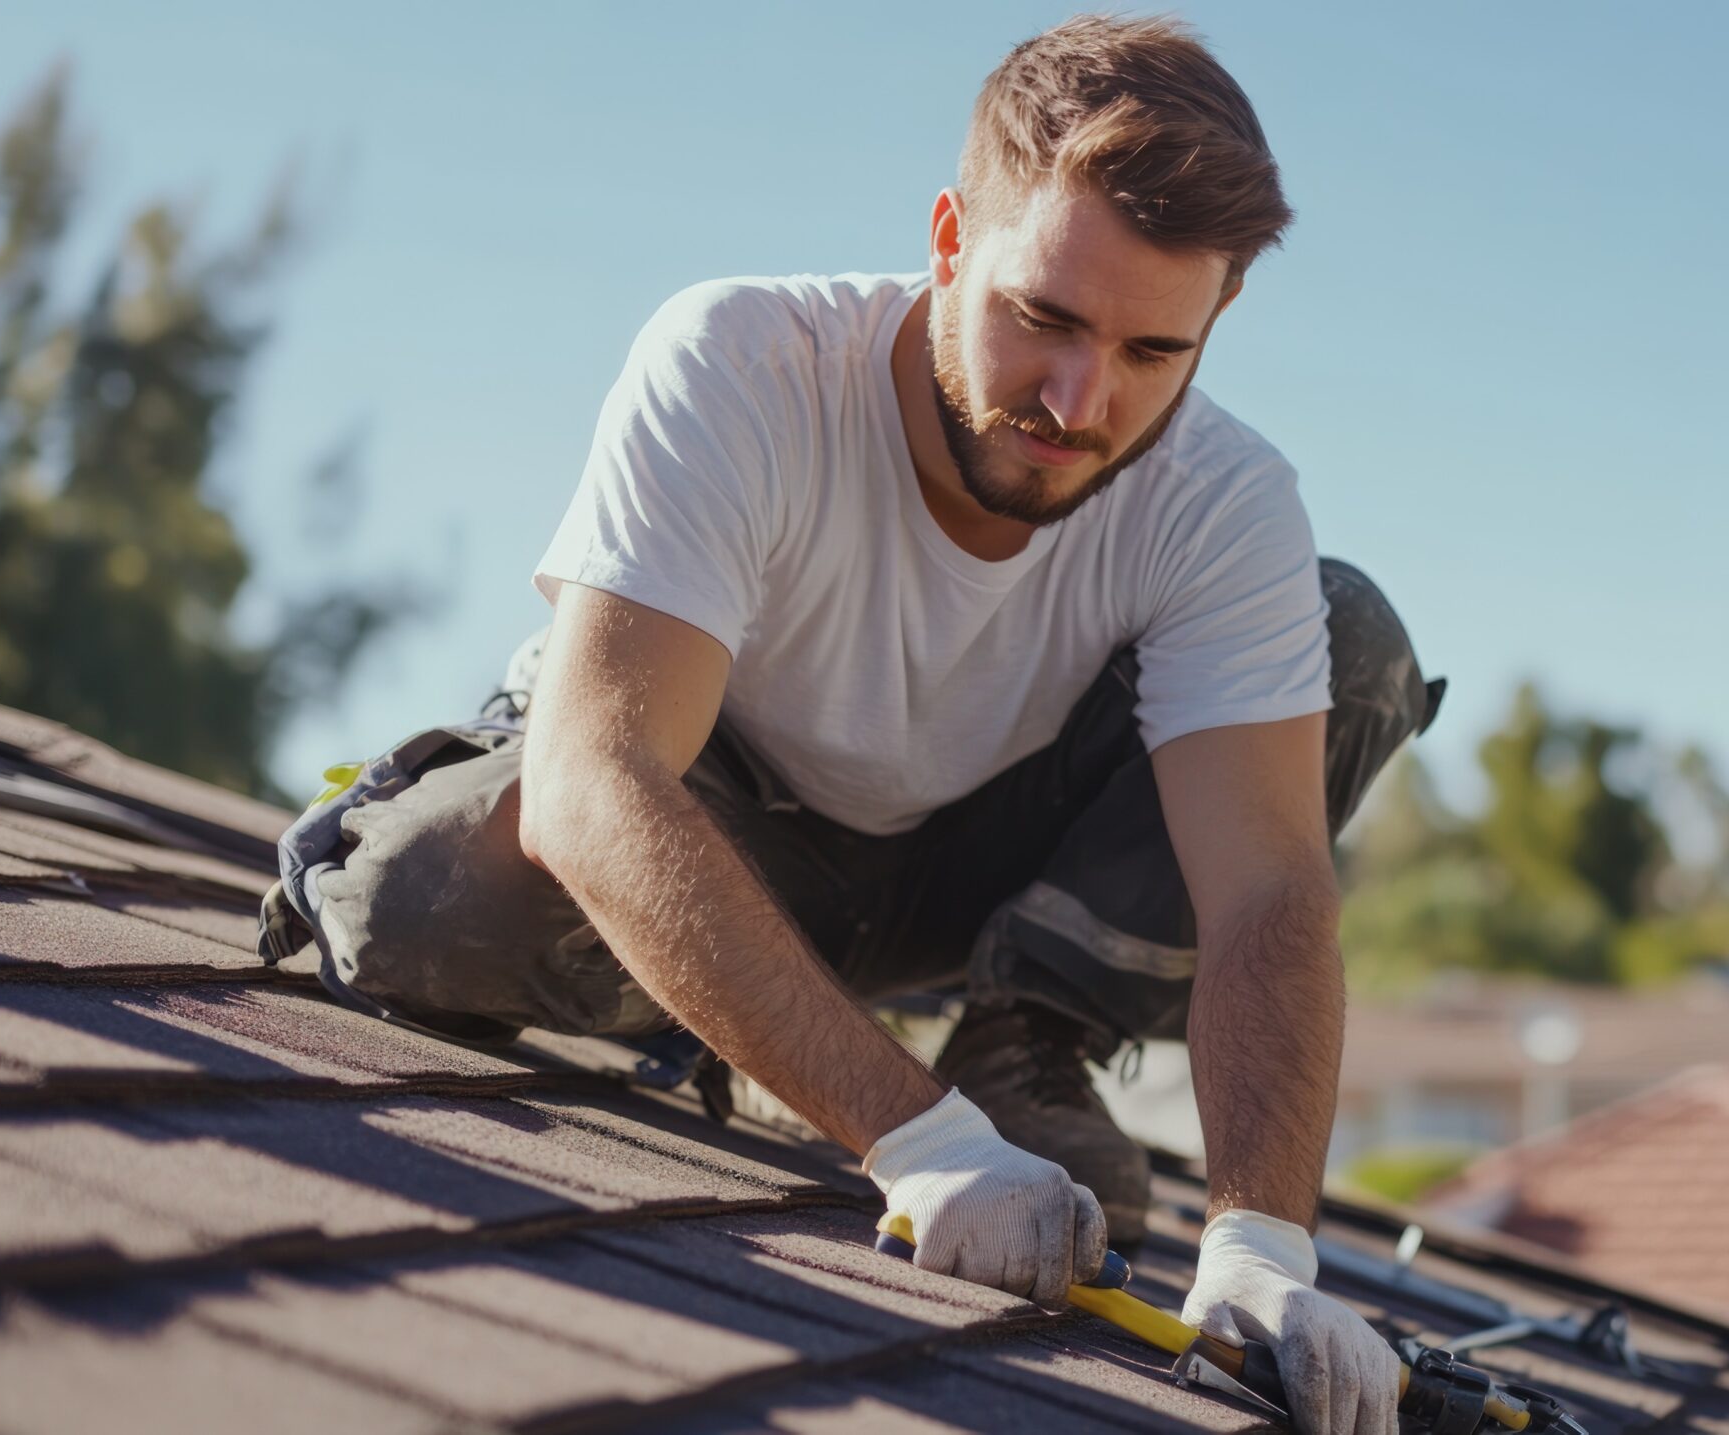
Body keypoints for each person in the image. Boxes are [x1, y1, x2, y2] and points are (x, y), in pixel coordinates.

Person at [267, 16, 1437, 1434]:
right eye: (1044, 319)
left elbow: (1265, 898)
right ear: (950, 236)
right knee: (408, 907)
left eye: (1150, 350)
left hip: (969, 869)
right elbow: (600, 784)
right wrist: (921, 1143)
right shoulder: (741, 361)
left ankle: (1023, 1038)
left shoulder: (1227, 502)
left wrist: (1265, 1250)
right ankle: (756, 1039)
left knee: (1350, 633)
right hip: (718, 812)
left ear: (1218, 322)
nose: (1082, 403)